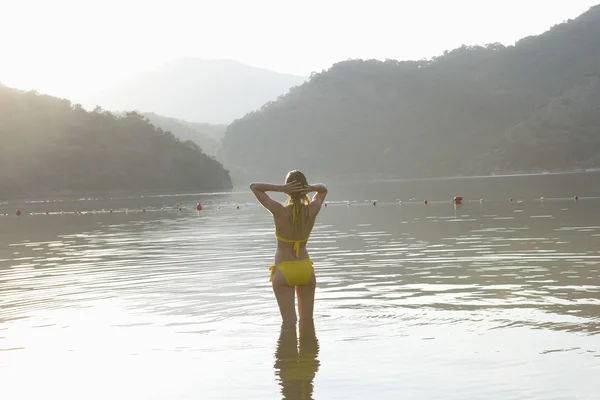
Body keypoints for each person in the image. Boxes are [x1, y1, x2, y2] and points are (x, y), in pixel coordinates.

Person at [250, 170, 328, 326]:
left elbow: (254, 187)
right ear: (305, 188)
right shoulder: (312, 210)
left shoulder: (280, 211)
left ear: (287, 189)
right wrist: (309, 187)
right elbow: (323, 189)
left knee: (289, 323)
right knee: (307, 322)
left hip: (284, 271)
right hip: (305, 269)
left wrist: (280, 188)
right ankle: (309, 348)